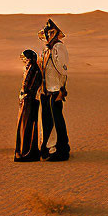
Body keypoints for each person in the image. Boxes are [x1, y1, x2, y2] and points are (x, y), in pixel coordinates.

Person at [38, 18, 70, 161]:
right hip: (46, 90)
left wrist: (62, 89)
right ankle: (49, 147)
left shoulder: (59, 47)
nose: (46, 35)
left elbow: (63, 70)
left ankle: (61, 150)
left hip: (55, 90)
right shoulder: (46, 49)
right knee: (46, 121)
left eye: (49, 33)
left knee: (56, 121)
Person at [14, 49, 43, 162]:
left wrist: (25, 95)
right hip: (26, 100)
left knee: (28, 126)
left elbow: (30, 87)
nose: (24, 60)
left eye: (25, 58)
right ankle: (23, 151)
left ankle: (28, 152)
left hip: (30, 101)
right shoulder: (30, 69)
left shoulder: (34, 69)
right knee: (24, 126)